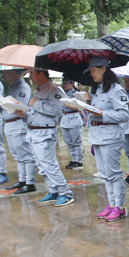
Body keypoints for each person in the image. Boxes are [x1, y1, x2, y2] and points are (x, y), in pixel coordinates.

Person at [78, 58, 129, 221]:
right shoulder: (96, 89)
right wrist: (86, 102)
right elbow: (90, 113)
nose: (91, 74)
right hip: (96, 134)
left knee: (114, 173)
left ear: (103, 68)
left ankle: (119, 207)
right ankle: (111, 203)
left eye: (94, 70)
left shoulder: (116, 89)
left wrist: (102, 113)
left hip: (110, 136)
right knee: (104, 173)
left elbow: (124, 115)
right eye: (90, 71)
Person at [16, 68, 75, 207]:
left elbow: (56, 110)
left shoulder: (54, 90)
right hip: (33, 131)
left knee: (49, 164)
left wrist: (35, 103)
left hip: (45, 133)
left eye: (31, 74)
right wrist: (24, 116)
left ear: (40, 73)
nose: (30, 77)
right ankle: (53, 190)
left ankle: (65, 193)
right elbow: (36, 113)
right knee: (41, 165)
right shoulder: (38, 91)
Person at [0, 69, 37, 194]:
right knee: (18, 155)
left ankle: (30, 182)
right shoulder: (13, 86)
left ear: (13, 72)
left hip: (17, 123)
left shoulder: (22, 87)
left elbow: (22, 106)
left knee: (26, 154)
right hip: (10, 124)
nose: (4, 75)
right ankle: (22, 180)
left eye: (6, 72)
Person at [59, 78, 84, 170]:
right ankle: (74, 159)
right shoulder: (63, 94)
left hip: (74, 118)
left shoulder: (76, 94)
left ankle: (79, 161)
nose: (64, 85)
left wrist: (65, 103)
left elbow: (78, 106)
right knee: (68, 142)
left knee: (76, 142)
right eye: (63, 83)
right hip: (65, 118)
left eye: (66, 83)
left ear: (72, 83)